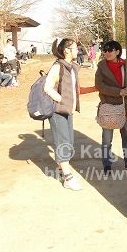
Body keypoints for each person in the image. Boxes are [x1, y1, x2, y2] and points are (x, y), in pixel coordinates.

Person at [43, 38, 83, 191]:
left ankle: (62, 172)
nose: (77, 50)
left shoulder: (71, 67)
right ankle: (67, 178)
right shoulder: (58, 66)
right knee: (63, 143)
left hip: (67, 110)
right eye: (74, 48)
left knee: (68, 142)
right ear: (67, 50)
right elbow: (48, 87)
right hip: (58, 111)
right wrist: (61, 100)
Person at [95, 40, 127, 175]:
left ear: (117, 52)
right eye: (105, 50)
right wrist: (118, 91)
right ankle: (107, 163)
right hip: (109, 105)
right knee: (107, 138)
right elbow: (99, 85)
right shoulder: (101, 67)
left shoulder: (125, 65)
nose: (107, 53)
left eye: (110, 50)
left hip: (125, 105)